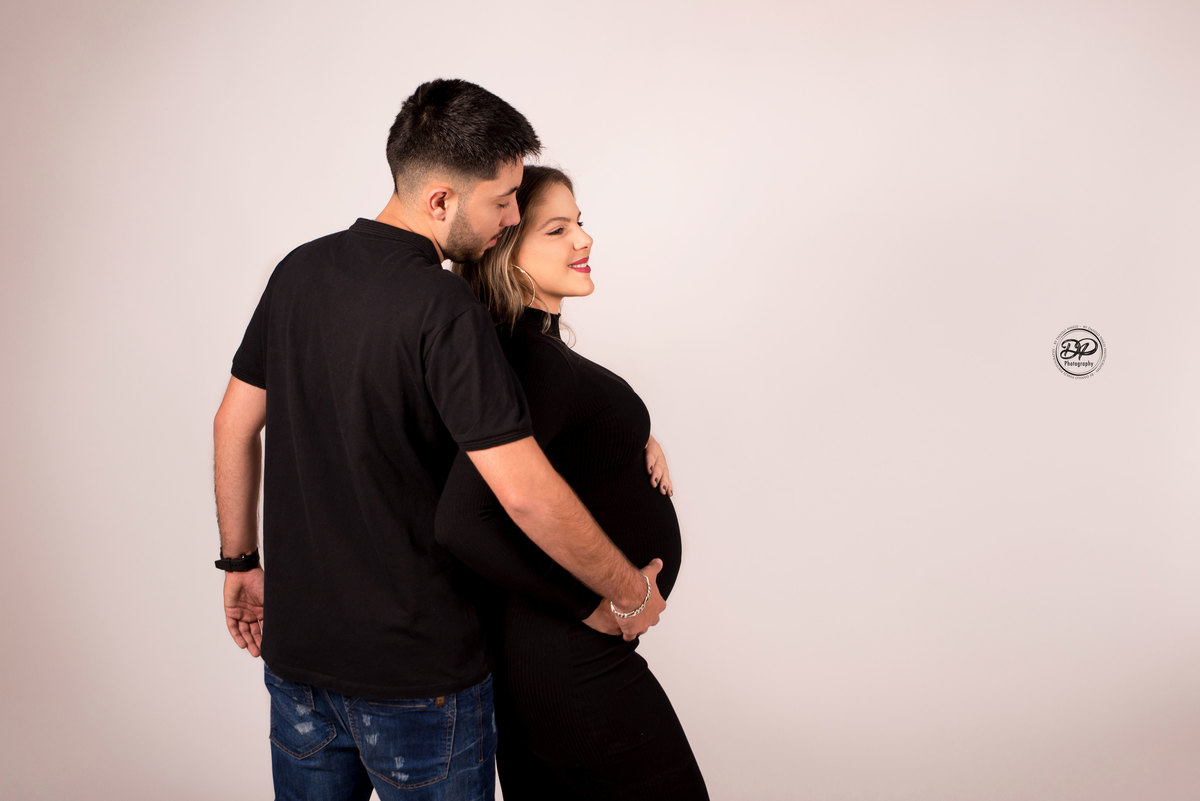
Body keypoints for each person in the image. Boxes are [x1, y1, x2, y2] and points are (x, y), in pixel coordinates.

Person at [213, 80, 666, 801]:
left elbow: (233, 424)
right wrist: (627, 590)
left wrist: (240, 562)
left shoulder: (300, 269)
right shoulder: (444, 305)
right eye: (502, 201)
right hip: (419, 685)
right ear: (440, 201)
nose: (511, 217)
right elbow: (521, 491)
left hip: (299, 670)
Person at [437, 166, 709, 800]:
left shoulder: (528, 354)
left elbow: (555, 457)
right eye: (556, 229)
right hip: (568, 663)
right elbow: (464, 519)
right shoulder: (529, 359)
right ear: (505, 248)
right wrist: (594, 603)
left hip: (550, 663)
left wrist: (630, 440)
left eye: (580, 223)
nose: (583, 240)